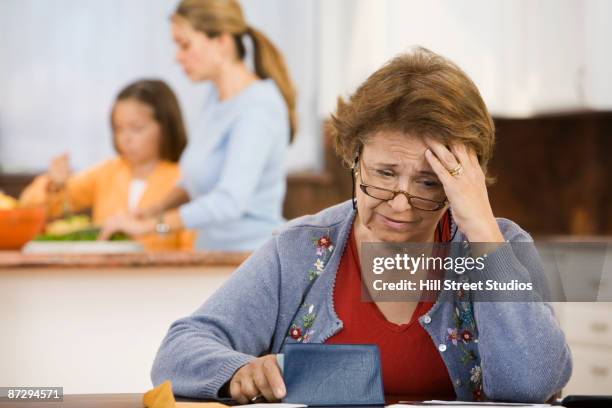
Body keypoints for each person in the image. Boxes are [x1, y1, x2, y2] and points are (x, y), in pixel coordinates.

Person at [150, 48, 571, 403]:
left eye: (428, 183)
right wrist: (241, 370)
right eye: (384, 175)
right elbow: (178, 351)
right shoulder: (300, 249)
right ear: (354, 158)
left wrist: (481, 229)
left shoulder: (502, 244)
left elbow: (533, 383)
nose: (401, 204)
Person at [100, 0, 296, 251]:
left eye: (185, 44)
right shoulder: (216, 99)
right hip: (211, 254)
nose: (177, 56)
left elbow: (229, 201)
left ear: (221, 42)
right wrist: (153, 210)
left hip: (251, 259)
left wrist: (154, 225)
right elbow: (198, 180)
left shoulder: (259, 108)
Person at [20, 79, 194, 251]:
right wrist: (55, 185)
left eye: (137, 128)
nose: (126, 139)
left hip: (163, 276)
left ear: (166, 127)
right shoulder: (106, 172)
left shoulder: (183, 180)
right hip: (104, 275)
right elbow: (30, 207)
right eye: (118, 128)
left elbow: (192, 243)